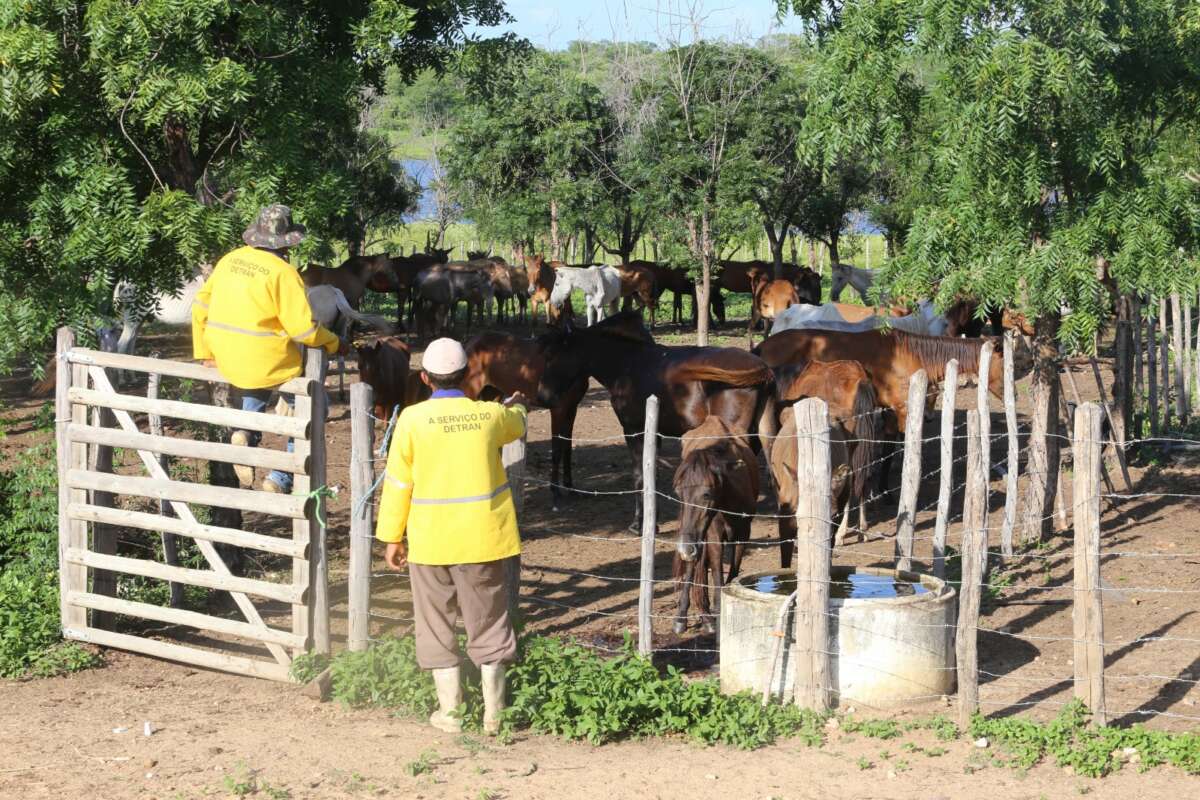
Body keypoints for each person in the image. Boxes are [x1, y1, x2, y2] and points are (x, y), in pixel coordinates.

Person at [376, 338, 528, 734]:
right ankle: (493, 714)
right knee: (490, 621)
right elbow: (518, 422)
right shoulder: (489, 417)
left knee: (435, 622)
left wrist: (392, 537)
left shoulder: (410, 420)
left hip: (429, 542)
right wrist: (513, 406)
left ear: (424, 378)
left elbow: (397, 484)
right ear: (468, 376)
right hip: (482, 539)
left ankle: (452, 713)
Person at [191, 204, 341, 492]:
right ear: (287, 242)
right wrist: (335, 342)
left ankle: (245, 431)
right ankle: (280, 477)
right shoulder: (283, 273)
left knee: (255, 386)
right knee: (317, 406)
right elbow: (304, 330)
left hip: (227, 358)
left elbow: (199, 308)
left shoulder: (230, 260)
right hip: (268, 361)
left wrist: (205, 354)